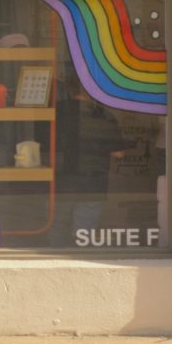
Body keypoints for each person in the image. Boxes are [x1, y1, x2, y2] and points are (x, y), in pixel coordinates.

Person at [52, 70, 130, 247]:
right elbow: (119, 153)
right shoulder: (103, 114)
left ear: (69, 88)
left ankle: (54, 256)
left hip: (63, 178)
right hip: (94, 179)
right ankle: (79, 259)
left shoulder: (57, 111)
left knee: (58, 223)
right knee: (84, 230)